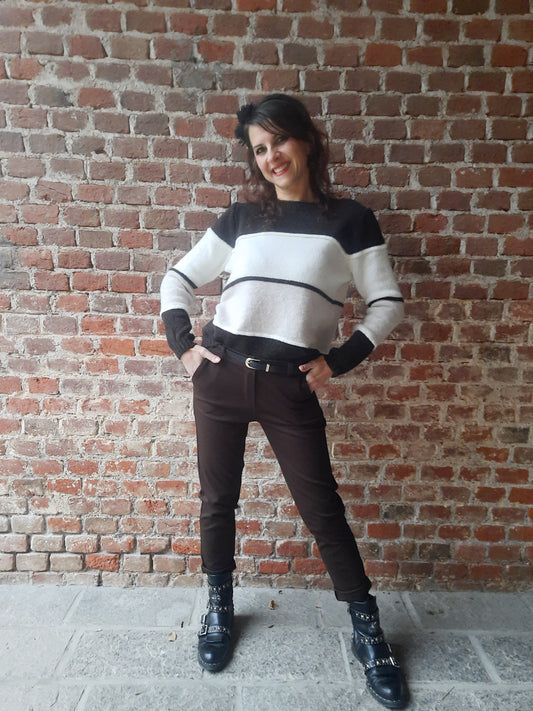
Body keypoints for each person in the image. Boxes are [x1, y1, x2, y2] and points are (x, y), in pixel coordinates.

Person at [160, 94, 408, 710]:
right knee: (217, 501)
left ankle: (367, 629)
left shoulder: (350, 221)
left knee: (323, 510)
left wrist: (340, 361)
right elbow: (178, 279)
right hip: (220, 375)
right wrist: (185, 348)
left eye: (280, 141)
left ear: (307, 140)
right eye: (260, 149)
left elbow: (386, 302)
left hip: (289, 384)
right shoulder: (243, 218)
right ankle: (219, 608)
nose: (272, 157)